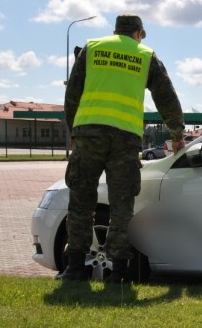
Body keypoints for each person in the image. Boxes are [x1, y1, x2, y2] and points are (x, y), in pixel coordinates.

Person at [58, 14, 185, 283]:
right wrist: (176, 133)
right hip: (125, 139)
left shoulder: (92, 48)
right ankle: (117, 273)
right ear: (139, 33)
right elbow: (166, 96)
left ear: (115, 30)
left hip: (89, 135)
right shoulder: (145, 54)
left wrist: (74, 130)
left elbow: (72, 95)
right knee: (122, 206)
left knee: (80, 202)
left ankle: (75, 269)